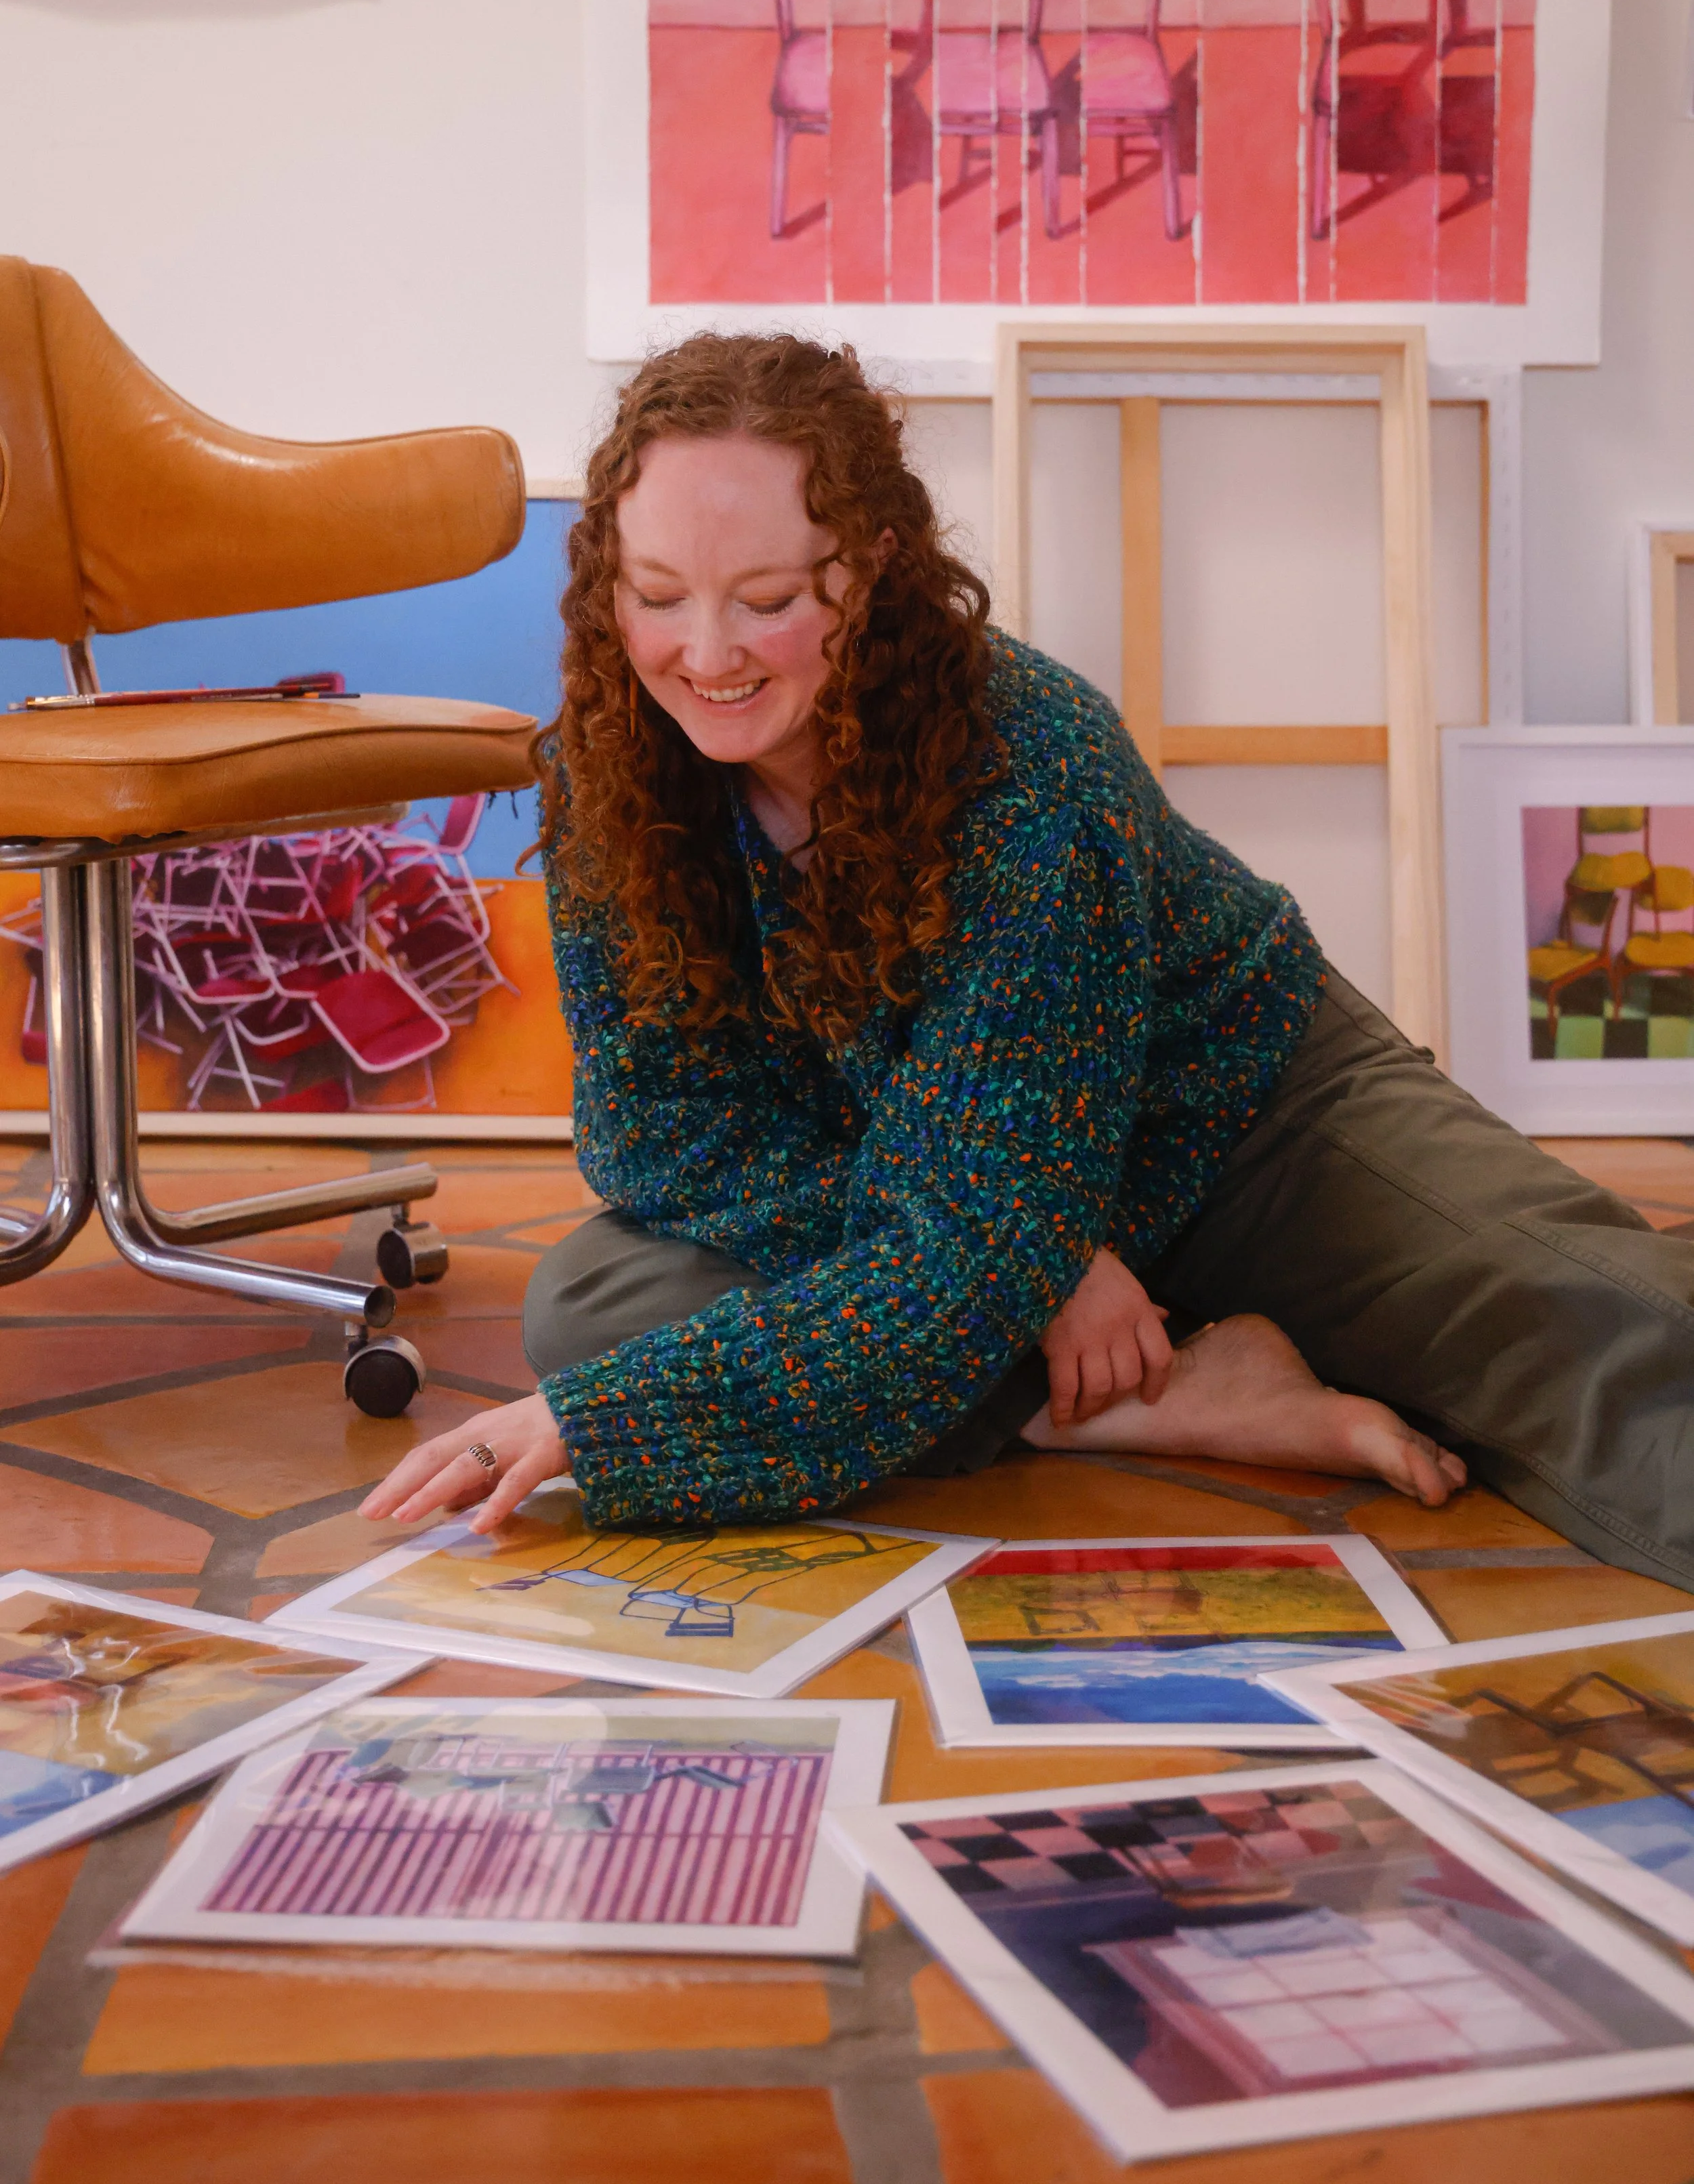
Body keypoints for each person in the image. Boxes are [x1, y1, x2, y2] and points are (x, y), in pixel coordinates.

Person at [364, 334, 1694, 1593]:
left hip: (1244, 1121)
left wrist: (1003, 1251)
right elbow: (665, 1143)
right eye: (657, 597)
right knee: (594, 1304)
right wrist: (1039, 1259)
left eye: (766, 601)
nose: (705, 655)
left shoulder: (1032, 757)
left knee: (1590, 1319)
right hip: (942, 1183)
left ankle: (1070, 1359)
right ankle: (1144, 1398)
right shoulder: (608, 774)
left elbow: (977, 1223)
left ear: (875, 567)